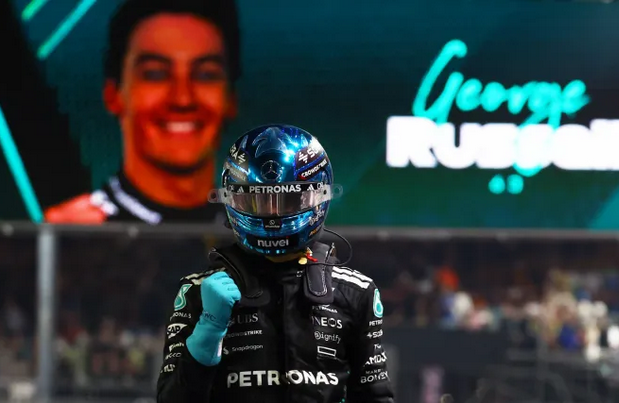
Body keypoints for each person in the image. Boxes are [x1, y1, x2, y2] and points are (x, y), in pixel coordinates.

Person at [156, 124, 395, 402]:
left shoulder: (355, 293)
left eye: (288, 200)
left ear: (318, 197)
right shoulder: (198, 292)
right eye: (257, 201)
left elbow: (376, 397)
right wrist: (208, 330)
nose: (273, 213)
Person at [44, 0, 240, 224]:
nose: (183, 99)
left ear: (231, 99)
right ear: (113, 95)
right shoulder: (72, 234)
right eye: (155, 74)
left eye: (206, 75)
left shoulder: (257, 236)